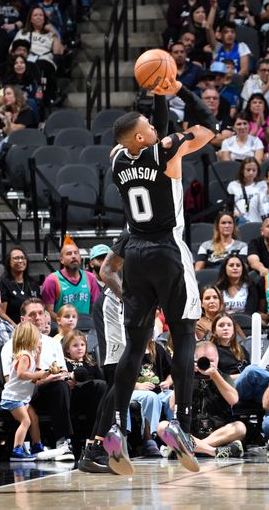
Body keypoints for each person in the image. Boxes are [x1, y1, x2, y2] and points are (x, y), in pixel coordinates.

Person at [86, 80, 216, 476]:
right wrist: (181, 90)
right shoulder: (166, 153)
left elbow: (150, 133)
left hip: (136, 257)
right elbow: (208, 127)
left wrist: (158, 96)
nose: (157, 129)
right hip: (167, 250)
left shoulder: (117, 158)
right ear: (143, 135)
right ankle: (183, 426)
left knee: (134, 347)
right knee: (185, 335)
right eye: (150, 126)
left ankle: (113, 429)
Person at [156, 340, 245, 458]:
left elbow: (233, 400)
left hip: (217, 432)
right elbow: (173, 406)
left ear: (218, 360)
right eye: (203, 361)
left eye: (211, 361)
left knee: (240, 427)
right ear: (195, 361)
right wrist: (184, 375)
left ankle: (187, 447)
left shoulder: (223, 377)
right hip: (189, 432)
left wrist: (215, 375)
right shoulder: (187, 377)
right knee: (162, 426)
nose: (207, 364)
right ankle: (213, 451)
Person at [0, 322, 45, 461]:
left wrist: (38, 359)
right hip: (13, 397)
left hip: (21, 397)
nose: (40, 340)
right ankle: (17, 450)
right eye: (37, 337)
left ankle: (37, 445)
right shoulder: (24, 355)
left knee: (33, 418)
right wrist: (39, 374)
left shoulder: (30, 355)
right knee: (26, 421)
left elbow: (33, 377)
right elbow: (21, 374)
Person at [41, 241, 101, 320]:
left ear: (80, 257)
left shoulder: (90, 277)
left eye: (76, 253)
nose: (73, 256)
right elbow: (48, 312)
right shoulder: (52, 280)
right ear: (61, 260)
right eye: (69, 254)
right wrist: (67, 323)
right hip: (62, 328)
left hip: (86, 327)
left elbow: (95, 306)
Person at [0, 247, 40, 325]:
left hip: (33, 326)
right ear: (9, 262)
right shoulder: (3, 283)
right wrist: (16, 327)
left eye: (22, 258)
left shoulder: (32, 282)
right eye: (16, 258)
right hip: (14, 327)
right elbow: (1, 312)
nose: (20, 261)